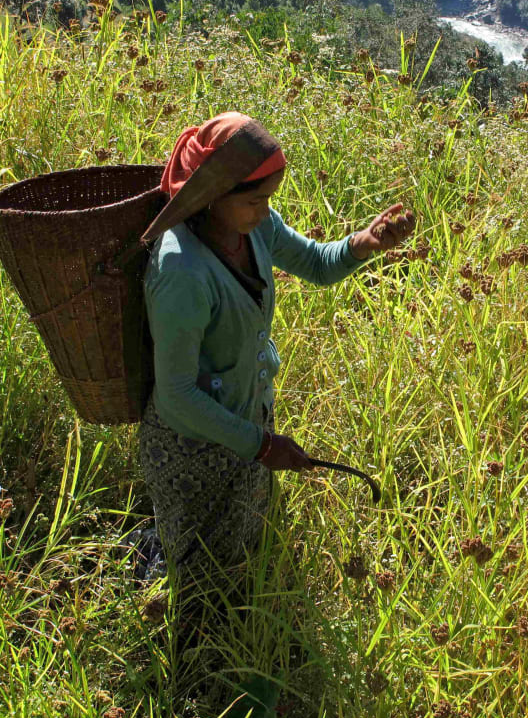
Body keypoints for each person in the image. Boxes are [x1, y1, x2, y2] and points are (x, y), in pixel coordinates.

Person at [136, 111, 415, 584]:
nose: (266, 211)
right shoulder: (181, 272)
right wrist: (260, 446)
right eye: (256, 200)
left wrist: (364, 243)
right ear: (212, 196)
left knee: (243, 549)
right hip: (193, 448)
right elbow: (177, 396)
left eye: (269, 199)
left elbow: (315, 263)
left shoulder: (253, 228)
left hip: (244, 421)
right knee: (199, 576)